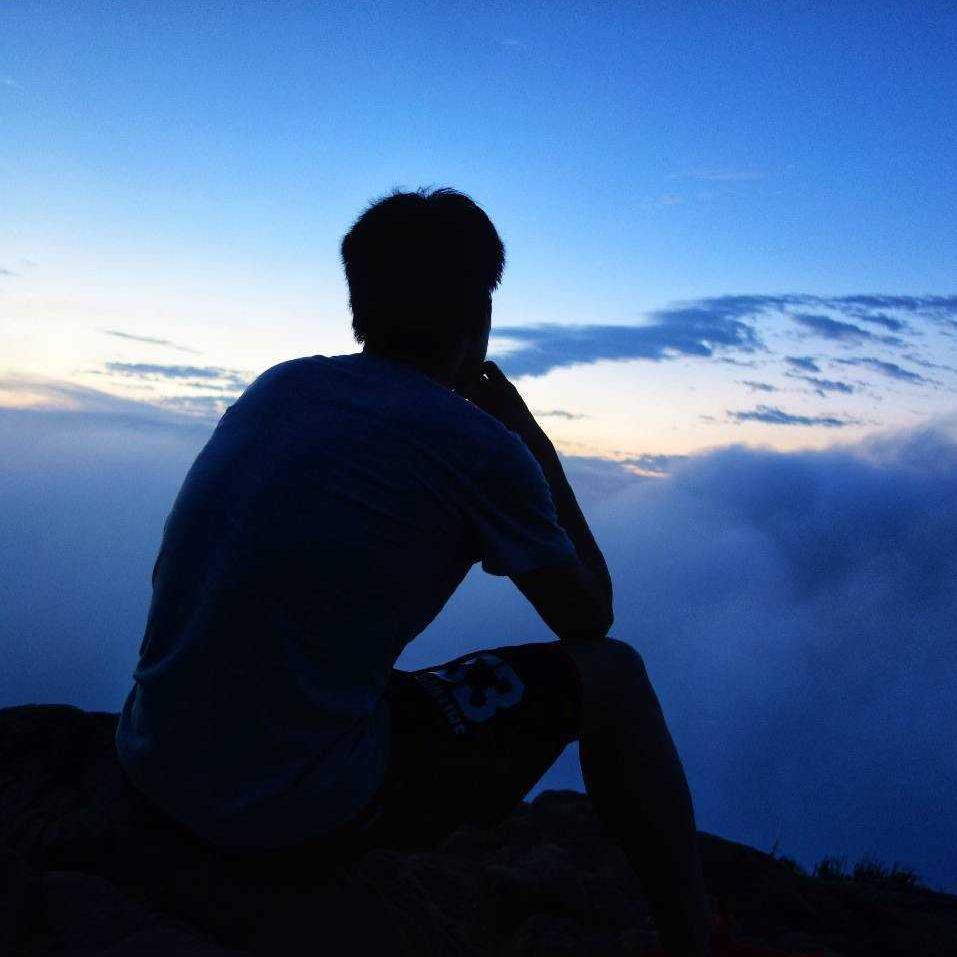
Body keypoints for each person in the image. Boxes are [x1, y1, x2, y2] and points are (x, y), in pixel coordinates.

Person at [114, 186, 713, 956]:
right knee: (615, 675)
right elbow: (589, 614)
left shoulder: (282, 386)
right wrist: (532, 442)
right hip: (284, 813)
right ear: (479, 316)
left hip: (151, 760)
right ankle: (694, 940)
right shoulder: (480, 448)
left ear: (359, 303)